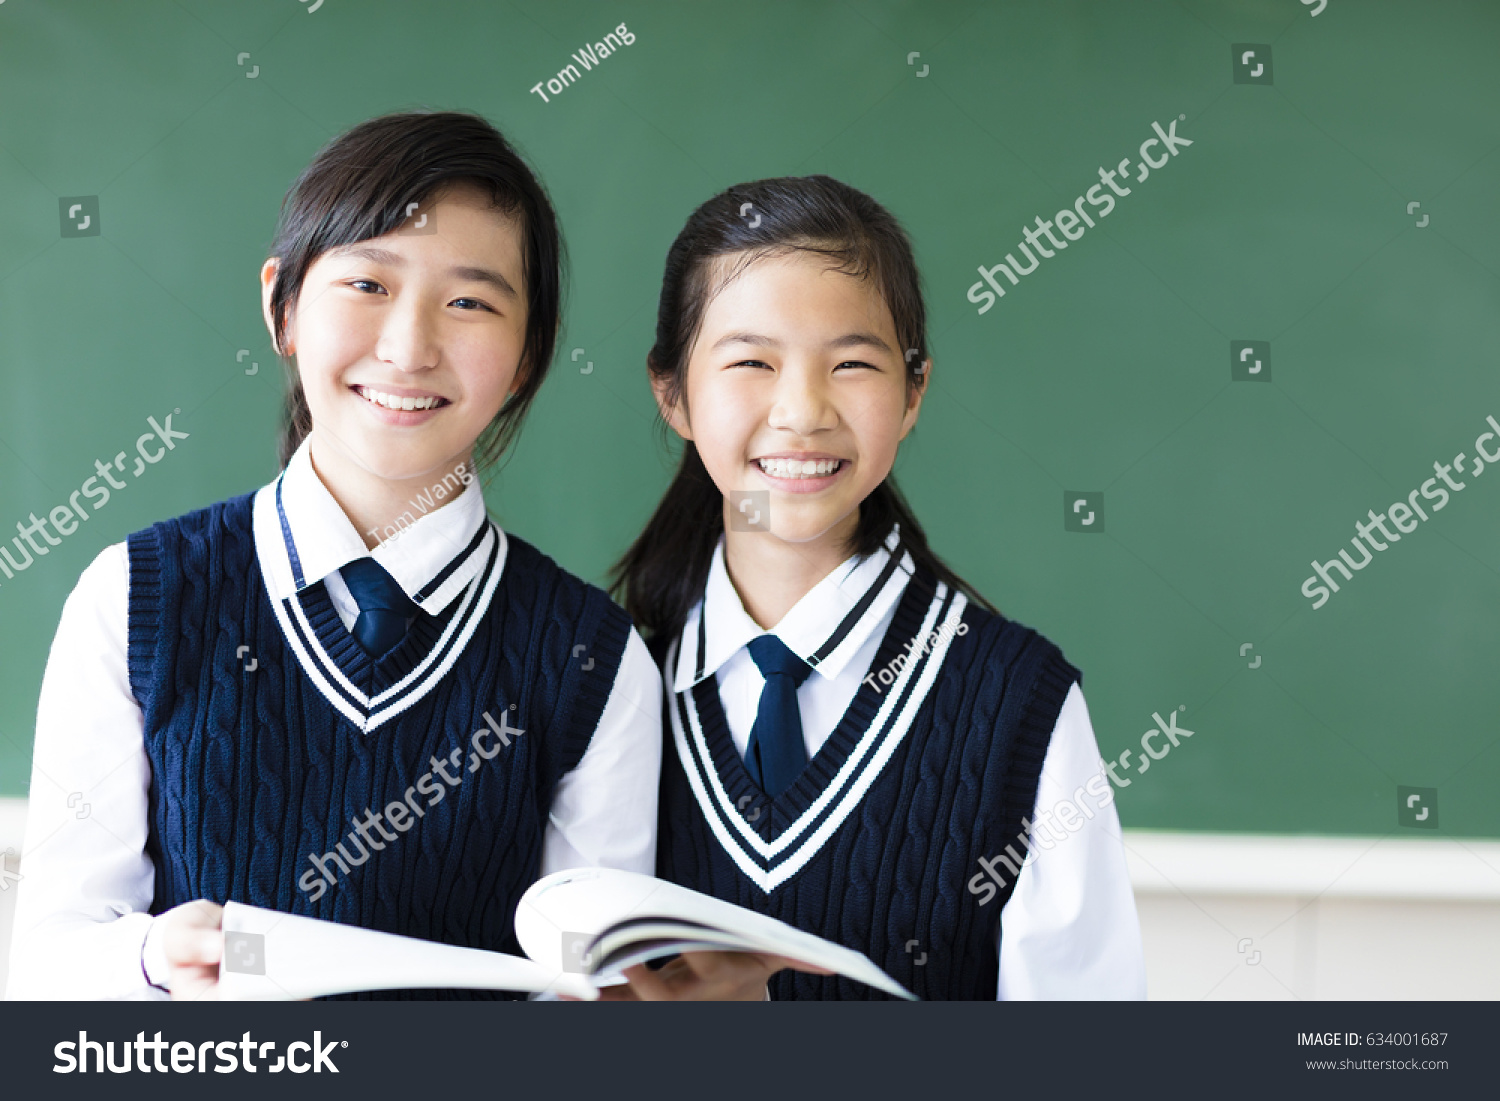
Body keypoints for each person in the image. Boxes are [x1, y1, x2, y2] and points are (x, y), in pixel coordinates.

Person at [5, 110, 661, 1001]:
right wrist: (156, 958)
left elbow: (594, 1001)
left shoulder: (594, 657)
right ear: (281, 308)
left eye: (469, 301)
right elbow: (50, 967)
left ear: (527, 357)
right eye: (367, 283)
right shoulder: (137, 598)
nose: (408, 347)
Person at [607, 174, 1145, 1000]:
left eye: (852, 362)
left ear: (914, 391)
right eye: (751, 360)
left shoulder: (1015, 705)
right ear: (672, 392)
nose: (802, 410)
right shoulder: (611, 684)